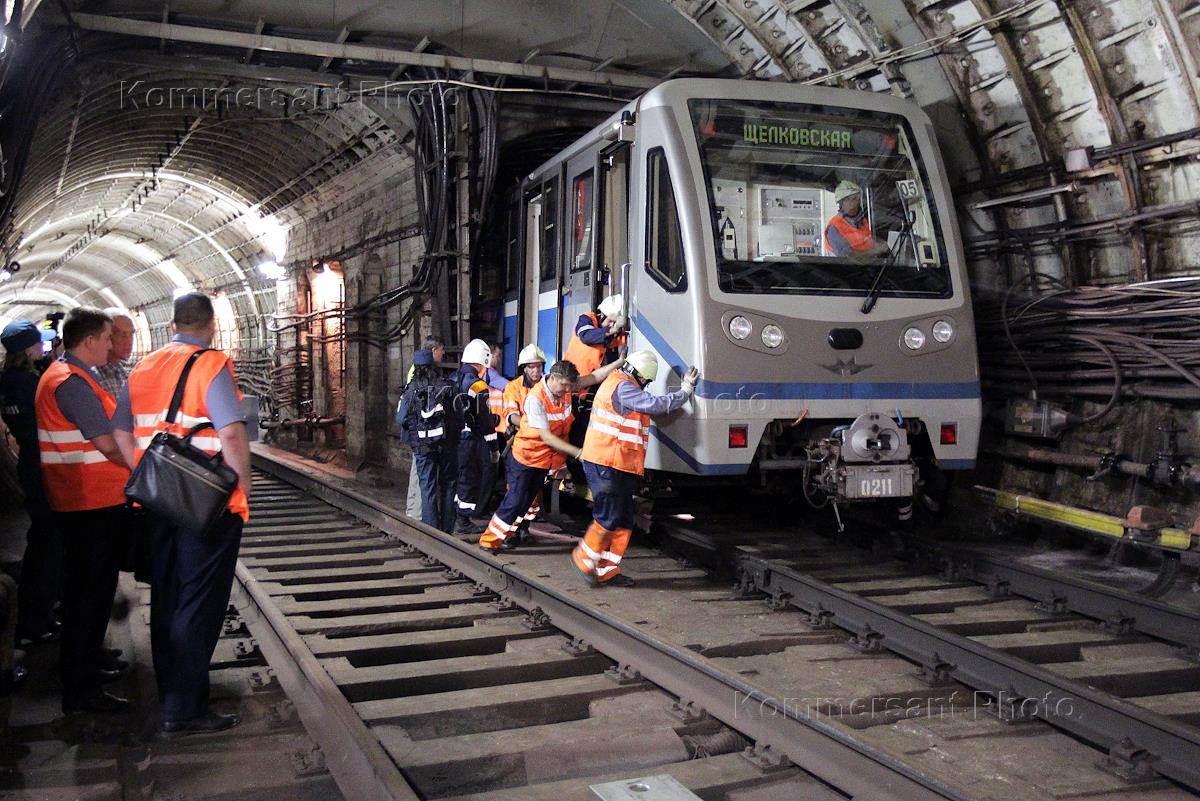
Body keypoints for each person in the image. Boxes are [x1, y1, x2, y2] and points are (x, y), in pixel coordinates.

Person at [112, 292, 250, 736]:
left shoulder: (142, 366)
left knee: (168, 595)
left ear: (172, 324)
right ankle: (186, 708)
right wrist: (241, 491)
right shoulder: (212, 365)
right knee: (199, 601)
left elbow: (119, 430)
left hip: (157, 500)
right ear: (210, 325)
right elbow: (230, 434)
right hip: (204, 504)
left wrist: (141, 470)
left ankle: (171, 689)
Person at [33, 307, 132, 714]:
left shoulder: (70, 376)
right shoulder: (71, 383)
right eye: (108, 338)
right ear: (89, 341)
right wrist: (144, 462)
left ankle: (88, 664)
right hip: (87, 503)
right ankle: (81, 690)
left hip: (88, 501)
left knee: (90, 592)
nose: (112, 346)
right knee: (87, 597)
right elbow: (106, 443)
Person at [571, 351, 699, 587]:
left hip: (618, 463)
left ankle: (607, 570)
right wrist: (685, 392)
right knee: (608, 517)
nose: (645, 385)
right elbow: (654, 404)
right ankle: (583, 558)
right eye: (646, 381)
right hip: (606, 462)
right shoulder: (622, 387)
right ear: (641, 375)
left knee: (623, 519)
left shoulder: (620, 383)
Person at [479, 358, 621, 553]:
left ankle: (506, 535)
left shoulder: (564, 386)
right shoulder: (536, 399)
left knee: (526, 502)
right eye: (564, 385)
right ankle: (489, 540)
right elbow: (547, 437)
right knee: (515, 500)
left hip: (543, 461)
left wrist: (619, 362)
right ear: (554, 378)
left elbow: (595, 377)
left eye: (569, 386)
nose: (566, 391)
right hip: (526, 458)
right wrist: (579, 453)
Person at [1, 321, 60, 645]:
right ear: (27, 349)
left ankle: (40, 614)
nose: (44, 347)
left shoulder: (7, 382)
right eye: (40, 343)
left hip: (28, 463)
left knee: (41, 539)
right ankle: (38, 618)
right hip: (43, 466)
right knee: (47, 544)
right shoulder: (30, 384)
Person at [396, 349, 459, 532]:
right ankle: (447, 530)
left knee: (427, 487)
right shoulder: (447, 386)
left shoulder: (411, 390)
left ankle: (432, 531)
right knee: (448, 486)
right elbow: (458, 416)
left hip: (423, 447)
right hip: (447, 444)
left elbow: (401, 419)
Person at [449, 339, 500, 533]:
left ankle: (453, 515)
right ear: (483, 360)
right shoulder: (478, 386)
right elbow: (485, 422)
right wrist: (494, 448)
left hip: (453, 439)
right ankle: (463, 521)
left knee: (457, 476)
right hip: (471, 440)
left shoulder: (452, 379)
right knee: (469, 478)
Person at [406, 336, 446, 519]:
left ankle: (415, 512)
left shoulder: (416, 372)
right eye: (441, 350)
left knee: (421, 477)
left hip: (418, 435)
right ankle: (416, 514)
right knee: (422, 477)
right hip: (427, 436)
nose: (443, 353)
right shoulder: (429, 377)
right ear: (432, 351)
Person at [824, 180, 887, 257]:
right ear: (840, 203)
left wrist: (882, 244)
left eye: (854, 199)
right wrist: (875, 251)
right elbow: (849, 257)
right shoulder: (834, 228)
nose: (852, 203)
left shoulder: (862, 222)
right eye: (847, 200)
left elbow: (868, 241)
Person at [94, 309, 135, 397]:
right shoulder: (93, 377)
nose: (129, 341)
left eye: (131, 334)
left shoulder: (124, 373)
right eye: (122, 335)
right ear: (106, 336)